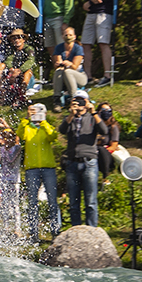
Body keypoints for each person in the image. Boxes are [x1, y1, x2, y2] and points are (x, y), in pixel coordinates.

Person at [11, 101, 60, 241]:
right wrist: (26, 117)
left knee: (52, 201)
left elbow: (53, 136)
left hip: (48, 168)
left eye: (39, 112)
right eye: (34, 112)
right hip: (32, 169)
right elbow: (19, 134)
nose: (36, 115)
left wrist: (43, 121)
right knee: (32, 201)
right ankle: (33, 233)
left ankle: (55, 231)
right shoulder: (27, 127)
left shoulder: (46, 127)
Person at [59, 90, 107, 228]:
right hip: (72, 162)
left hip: (89, 162)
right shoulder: (70, 118)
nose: (79, 103)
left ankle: (92, 231)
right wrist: (71, 114)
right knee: (74, 202)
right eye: (76, 100)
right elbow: (62, 130)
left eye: (82, 100)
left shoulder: (93, 117)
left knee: (91, 201)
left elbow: (104, 130)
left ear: (87, 102)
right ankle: (76, 230)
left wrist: (93, 112)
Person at [80, 0, 117, 86]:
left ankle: (107, 75)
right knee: (86, 43)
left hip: (103, 13)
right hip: (90, 14)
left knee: (103, 43)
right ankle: (87, 76)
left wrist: (92, 0)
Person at [50, 26, 87, 107]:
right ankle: (57, 98)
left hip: (79, 76)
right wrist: (58, 64)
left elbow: (75, 66)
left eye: (70, 35)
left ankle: (73, 96)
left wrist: (68, 63)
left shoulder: (78, 49)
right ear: (62, 36)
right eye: (66, 35)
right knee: (58, 71)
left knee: (68, 71)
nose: (68, 37)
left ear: (74, 37)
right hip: (63, 75)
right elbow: (58, 63)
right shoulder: (59, 48)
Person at [0, 30, 37, 102]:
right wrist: (12, 69)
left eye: (19, 38)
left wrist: (19, 70)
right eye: (14, 38)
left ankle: (22, 95)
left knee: (28, 72)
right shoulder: (11, 50)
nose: (17, 40)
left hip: (25, 75)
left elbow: (30, 61)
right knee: (1, 65)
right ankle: (2, 93)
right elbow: (8, 60)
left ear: (23, 39)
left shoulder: (29, 49)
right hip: (13, 73)